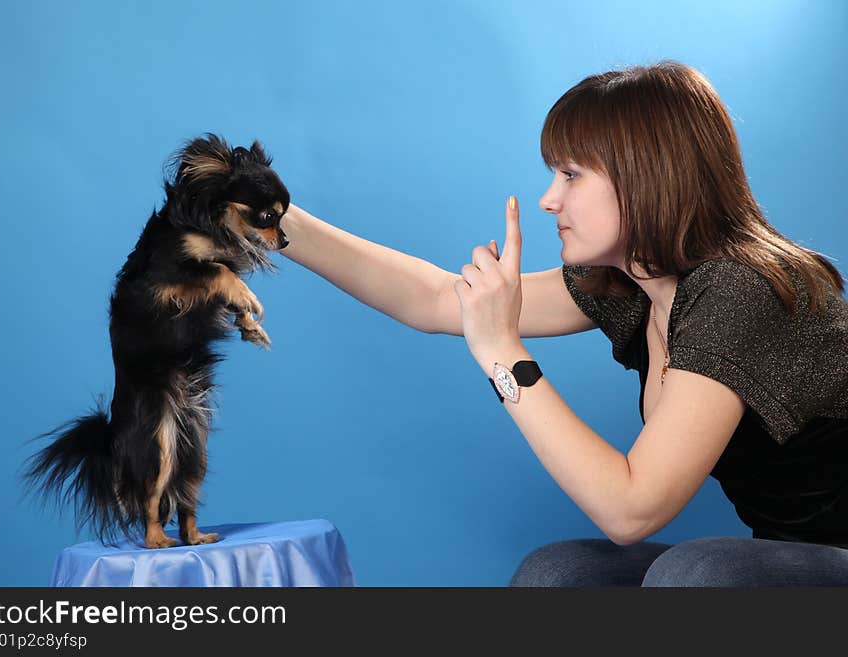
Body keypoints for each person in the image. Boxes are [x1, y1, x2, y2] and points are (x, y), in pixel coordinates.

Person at [277, 61, 848, 586]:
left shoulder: (739, 290)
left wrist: (503, 350)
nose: (549, 199)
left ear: (646, 175)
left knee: (697, 574)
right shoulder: (634, 285)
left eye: (572, 175)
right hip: (796, 562)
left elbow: (631, 510)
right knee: (561, 573)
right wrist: (274, 220)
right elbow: (431, 299)